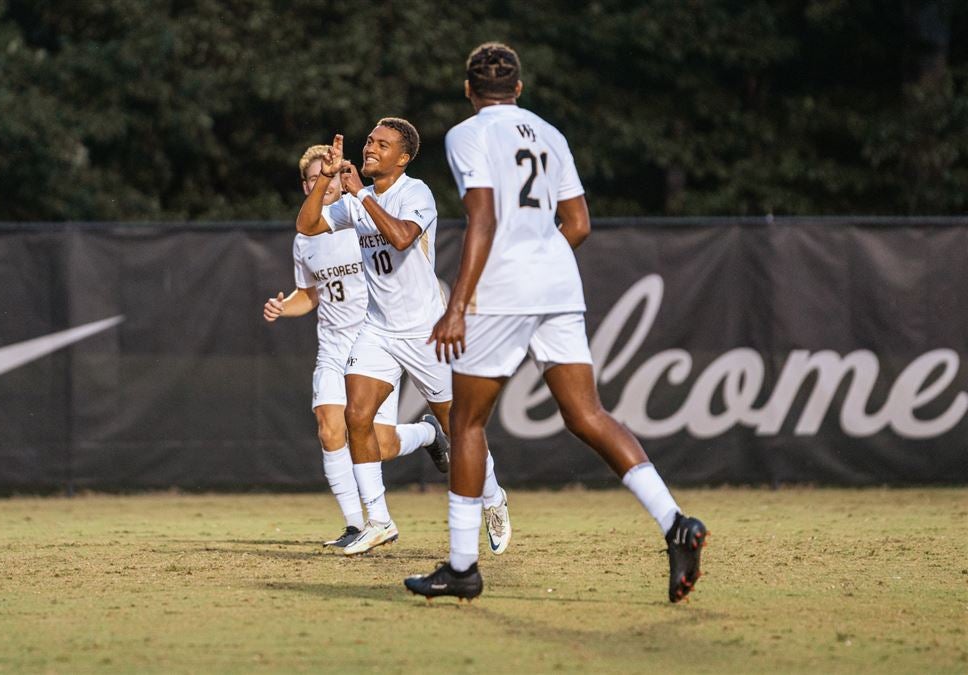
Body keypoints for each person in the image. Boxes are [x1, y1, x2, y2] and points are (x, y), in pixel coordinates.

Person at [405, 43, 707, 603]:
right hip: (560, 283)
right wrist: (542, 260)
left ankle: (463, 568)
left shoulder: (467, 134)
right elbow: (579, 223)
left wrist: (458, 304)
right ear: (519, 88)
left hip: (504, 290)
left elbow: (484, 216)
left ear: (469, 91)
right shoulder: (550, 132)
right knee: (588, 414)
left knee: (466, 423)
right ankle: (675, 524)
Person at [296, 122, 512, 556]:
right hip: (377, 328)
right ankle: (378, 521)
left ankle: (494, 498)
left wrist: (358, 195)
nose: (371, 148)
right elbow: (308, 225)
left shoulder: (415, 193)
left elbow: (400, 236)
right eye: (370, 141)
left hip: (424, 330)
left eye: (382, 144)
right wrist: (325, 180)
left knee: (459, 426)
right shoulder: (357, 198)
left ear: (403, 157)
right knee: (356, 415)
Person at [265, 144, 449, 550]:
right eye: (314, 178)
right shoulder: (308, 238)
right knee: (330, 430)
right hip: (333, 347)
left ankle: (425, 434)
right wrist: (284, 306)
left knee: (377, 444)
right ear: (306, 184)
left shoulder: (361, 218)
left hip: (377, 342)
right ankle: (356, 524)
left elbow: (403, 263)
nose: (321, 183)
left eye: (326, 175)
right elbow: (309, 295)